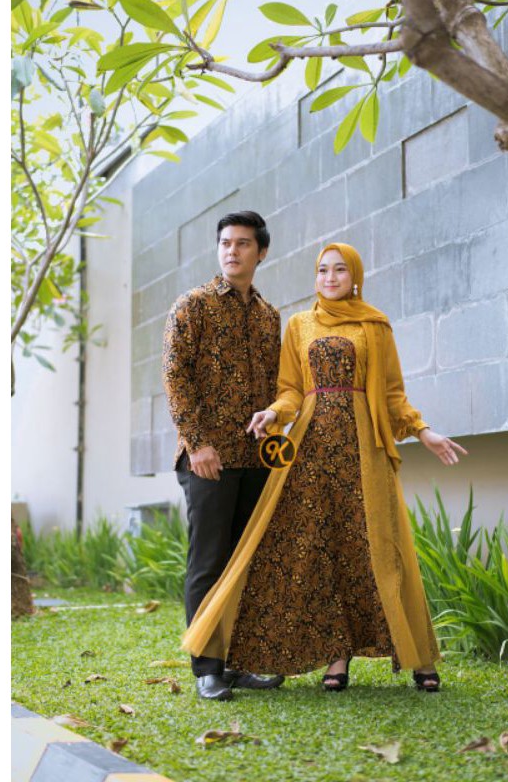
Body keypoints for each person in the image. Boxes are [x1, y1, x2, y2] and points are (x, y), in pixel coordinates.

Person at [181, 242, 468, 693]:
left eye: (339, 270)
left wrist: (422, 430)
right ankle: (337, 657)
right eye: (322, 270)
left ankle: (419, 657)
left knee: (382, 547)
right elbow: (291, 390)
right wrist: (275, 413)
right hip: (311, 451)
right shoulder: (299, 325)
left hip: (364, 451)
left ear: (355, 277)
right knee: (325, 551)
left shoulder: (375, 325)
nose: (330, 278)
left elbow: (392, 394)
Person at [162, 211, 286, 701]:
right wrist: (197, 443)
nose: (232, 251)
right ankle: (207, 667)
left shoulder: (268, 316)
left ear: (261, 252)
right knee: (209, 562)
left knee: (245, 563)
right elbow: (175, 376)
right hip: (207, 459)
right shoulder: (192, 306)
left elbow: (275, 383)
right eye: (225, 243)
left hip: (255, 459)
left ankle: (238, 662)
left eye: (242, 244)